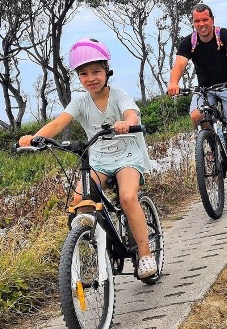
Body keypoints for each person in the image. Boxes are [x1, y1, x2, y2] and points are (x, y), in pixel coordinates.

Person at [19, 38, 157, 279]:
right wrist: (35, 138)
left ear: (106, 71)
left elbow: (131, 114)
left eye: (96, 71)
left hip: (127, 156)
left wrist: (127, 123)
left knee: (126, 197)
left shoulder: (118, 95)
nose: (91, 78)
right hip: (100, 159)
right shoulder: (80, 102)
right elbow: (59, 122)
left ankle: (145, 254)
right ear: (79, 77)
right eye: (84, 74)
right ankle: (98, 243)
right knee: (80, 199)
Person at [167, 3, 227, 184]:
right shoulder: (189, 42)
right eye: (197, 21)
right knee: (196, 115)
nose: (201, 24)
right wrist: (173, 83)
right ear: (193, 23)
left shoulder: (224, 35)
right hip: (205, 88)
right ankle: (212, 145)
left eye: (205, 19)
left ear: (212, 20)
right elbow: (180, 64)